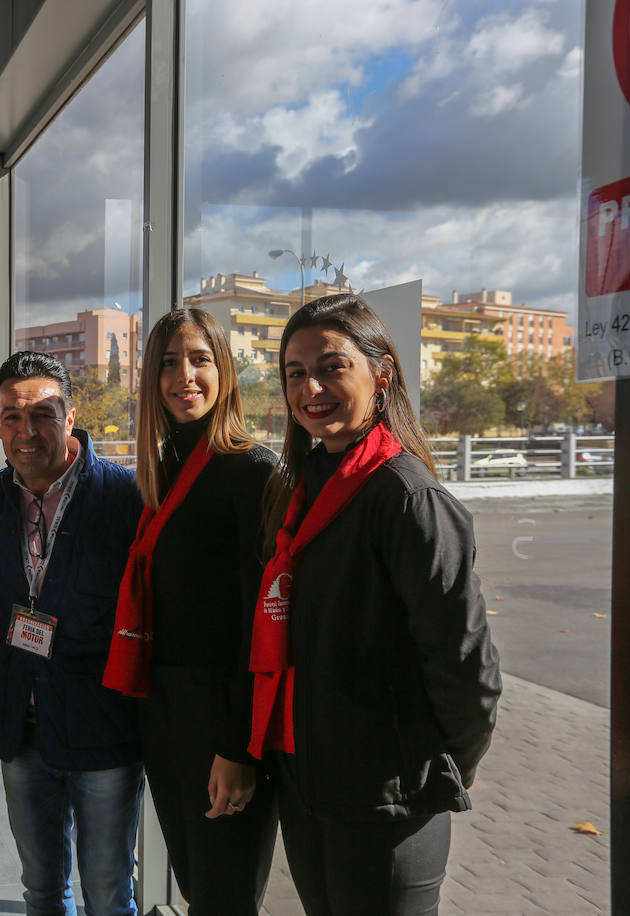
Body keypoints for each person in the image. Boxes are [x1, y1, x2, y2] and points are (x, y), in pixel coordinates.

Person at [252, 293, 501, 914]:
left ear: (381, 373)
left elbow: (465, 663)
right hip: (310, 786)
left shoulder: (407, 499)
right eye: (295, 373)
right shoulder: (306, 485)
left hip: (385, 802)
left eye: (333, 367)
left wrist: (439, 767)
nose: (312, 387)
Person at [103, 309, 278, 913]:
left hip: (222, 727)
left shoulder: (250, 470)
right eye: (170, 363)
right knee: (198, 887)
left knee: (223, 897)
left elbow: (262, 628)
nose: (186, 376)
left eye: (200, 359)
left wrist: (239, 749)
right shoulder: (162, 469)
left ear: (224, 370)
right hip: (167, 718)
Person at [0, 351, 144, 916]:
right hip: (23, 729)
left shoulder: (124, 497)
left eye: (42, 414)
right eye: (10, 417)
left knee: (109, 892)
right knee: (41, 889)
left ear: (71, 418)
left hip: (103, 729)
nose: (26, 432)